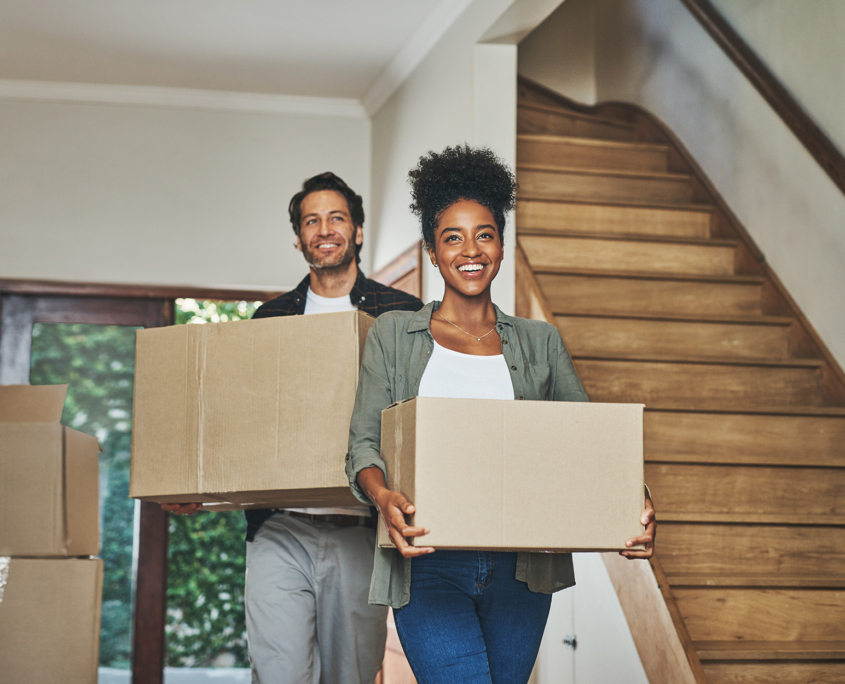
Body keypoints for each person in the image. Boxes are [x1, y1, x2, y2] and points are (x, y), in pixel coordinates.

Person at [345, 146, 656, 684]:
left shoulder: (541, 342)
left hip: (524, 568)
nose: (471, 249)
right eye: (453, 237)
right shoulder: (394, 336)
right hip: (428, 560)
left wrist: (634, 498)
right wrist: (383, 495)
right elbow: (363, 445)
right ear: (432, 251)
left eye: (484, 234)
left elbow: (587, 443)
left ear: (502, 245)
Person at [163, 171, 424, 684]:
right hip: (279, 530)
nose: (324, 229)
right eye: (312, 221)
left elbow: (418, 420)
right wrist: (198, 486)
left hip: (359, 529)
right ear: (299, 237)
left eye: (336, 218)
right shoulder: (270, 318)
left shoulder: (402, 314)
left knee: (350, 676)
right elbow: (242, 423)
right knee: (278, 673)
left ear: (359, 231)